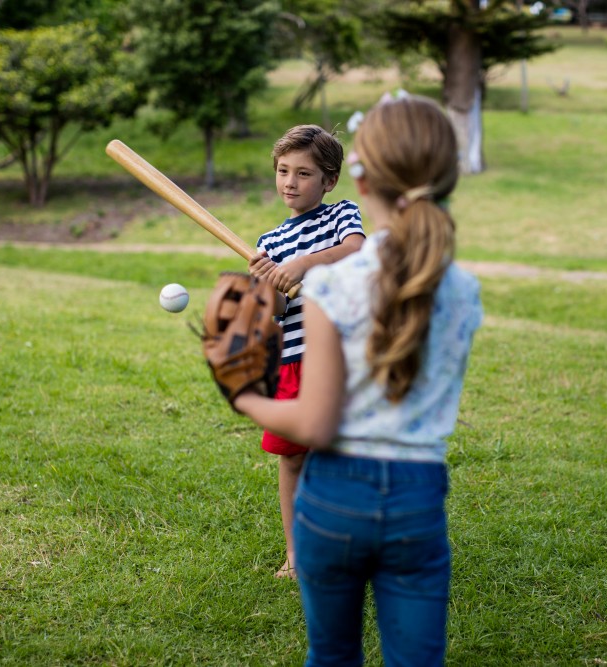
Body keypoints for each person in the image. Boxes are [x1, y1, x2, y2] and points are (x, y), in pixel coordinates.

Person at [235, 96, 482, 666]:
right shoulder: (463, 291)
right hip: (419, 503)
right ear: (447, 179)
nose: (290, 181)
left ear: (358, 180)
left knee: (332, 656)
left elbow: (314, 423)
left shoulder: (332, 287)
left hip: (337, 502)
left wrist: (245, 394)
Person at [249, 124, 365, 579]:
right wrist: (267, 282)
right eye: (282, 171)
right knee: (293, 456)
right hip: (294, 362)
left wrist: (301, 264)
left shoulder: (341, 216)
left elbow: (355, 252)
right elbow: (276, 308)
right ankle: (296, 555)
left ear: (328, 181)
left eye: (303, 173)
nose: (290, 182)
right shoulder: (268, 244)